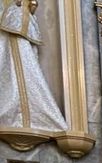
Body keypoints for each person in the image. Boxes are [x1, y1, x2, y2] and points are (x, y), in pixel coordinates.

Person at [0, 0, 66, 133]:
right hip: (11, 21)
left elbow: (33, 5)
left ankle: (30, 116)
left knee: (25, 62)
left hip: (18, 21)